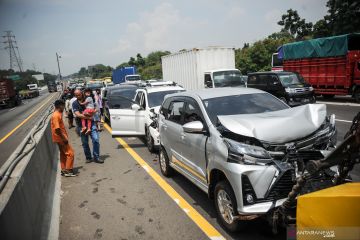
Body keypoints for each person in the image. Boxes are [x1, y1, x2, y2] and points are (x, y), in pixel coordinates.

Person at [72, 89, 103, 164]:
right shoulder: (74, 103)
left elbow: (96, 107)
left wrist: (94, 113)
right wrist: (88, 117)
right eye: (76, 95)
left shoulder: (89, 99)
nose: (78, 96)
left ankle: (96, 157)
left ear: (82, 93)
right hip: (81, 125)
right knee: (85, 143)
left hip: (91, 124)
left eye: (79, 94)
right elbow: (78, 114)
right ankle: (88, 157)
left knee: (96, 140)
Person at [50, 99, 77, 177]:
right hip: (60, 138)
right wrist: (64, 138)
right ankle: (68, 170)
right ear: (60, 106)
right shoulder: (56, 115)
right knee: (70, 153)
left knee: (63, 154)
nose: (64, 107)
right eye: (63, 106)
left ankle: (64, 170)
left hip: (58, 138)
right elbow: (57, 129)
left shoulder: (57, 114)